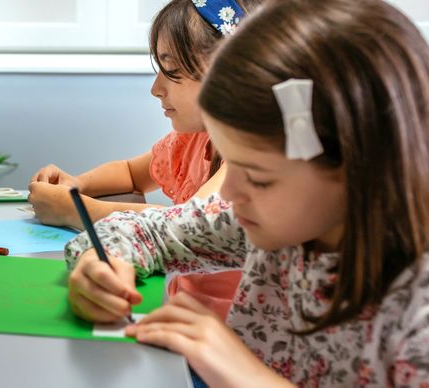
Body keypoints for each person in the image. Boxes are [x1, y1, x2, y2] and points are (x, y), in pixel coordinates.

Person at [66, 0, 429, 385]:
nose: (231, 191)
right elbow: (146, 231)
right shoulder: (260, 221)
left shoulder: (416, 307)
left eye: (258, 177)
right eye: (230, 162)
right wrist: (99, 268)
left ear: (359, 168)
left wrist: (251, 377)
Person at [31, 0, 261, 319]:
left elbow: (185, 223)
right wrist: (77, 183)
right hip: (180, 312)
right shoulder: (192, 140)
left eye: (172, 72)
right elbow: (131, 172)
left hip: (222, 331)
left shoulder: (251, 161)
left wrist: (75, 210)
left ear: (231, 75)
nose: (156, 89)